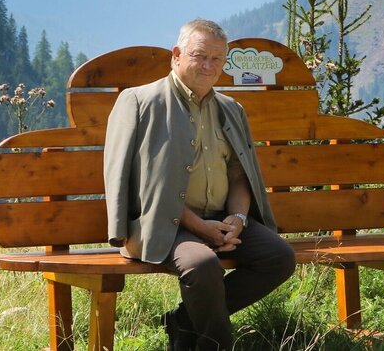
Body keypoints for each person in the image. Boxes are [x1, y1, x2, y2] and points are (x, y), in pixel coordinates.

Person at [104, 18, 296, 350]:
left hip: (221, 218)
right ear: (176, 55)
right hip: (162, 223)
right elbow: (144, 185)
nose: (208, 65)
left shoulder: (231, 109)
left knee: (279, 257)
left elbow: (239, 175)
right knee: (202, 264)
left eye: (216, 59)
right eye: (199, 55)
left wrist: (236, 220)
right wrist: (201, 228)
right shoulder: (140, 102)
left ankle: (184, 322)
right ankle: (214, 344)